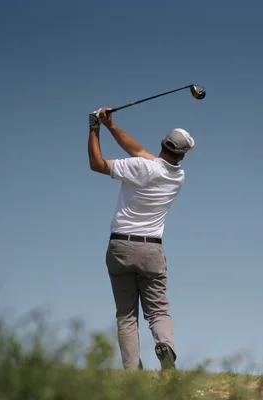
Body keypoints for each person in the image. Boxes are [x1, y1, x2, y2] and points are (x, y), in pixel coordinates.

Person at [87, 107, 195, 371]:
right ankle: (165, 346)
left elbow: (97, 164)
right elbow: (138, 152)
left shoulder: (138, 167)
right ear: (182, 155)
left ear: (162, 142)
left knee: (126, 316)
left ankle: (132, 374)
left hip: (120, 247)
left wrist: (95, 128)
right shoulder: (178, 177)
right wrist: (112, 126)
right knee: (158, 311)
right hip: (152, 251)